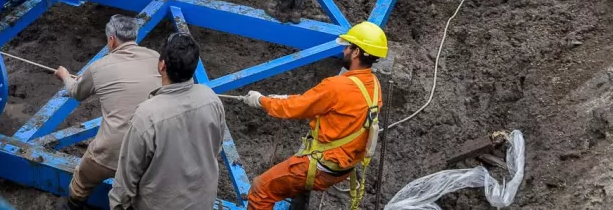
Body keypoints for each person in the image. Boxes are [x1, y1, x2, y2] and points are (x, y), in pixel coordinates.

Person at [242, 21, 385, 209]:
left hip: (322, 166)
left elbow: (295, 109)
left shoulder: (337, 86)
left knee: (261, 189)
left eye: (348, 47)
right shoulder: (374, 86)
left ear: (356, 52)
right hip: (344, 166)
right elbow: (322, 104)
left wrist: (261, 101)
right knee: (296, 183)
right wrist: (286, 98)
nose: (344, 51)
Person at [53, 15, 161, 210]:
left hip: (110, 153)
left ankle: (74, 205)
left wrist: (64, 75)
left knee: (82, 179)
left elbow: (76, 92)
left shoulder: (99, 67)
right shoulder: (156, 58)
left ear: (111, 39)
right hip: (149, 151)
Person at [108, 33, 226, 210]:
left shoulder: (147, 115)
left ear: (162, 65)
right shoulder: (211, 99)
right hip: (203, 202)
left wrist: (118, 205)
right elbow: (216, 148)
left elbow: (127, 175)